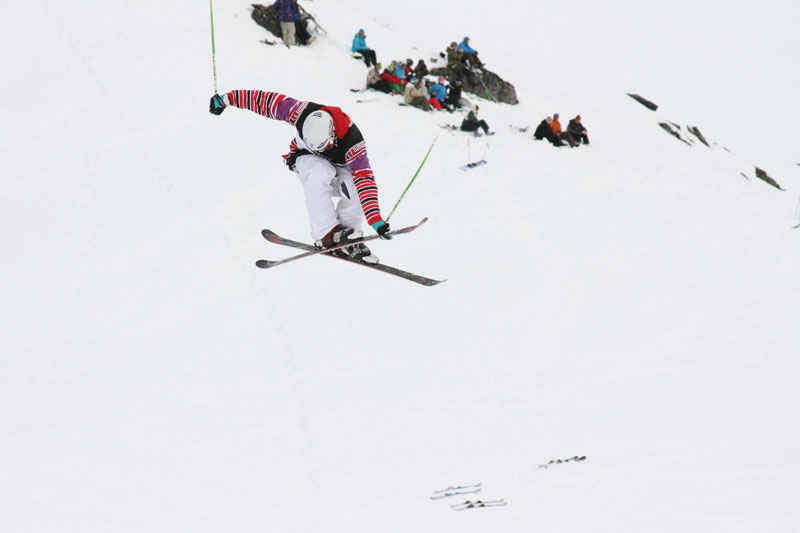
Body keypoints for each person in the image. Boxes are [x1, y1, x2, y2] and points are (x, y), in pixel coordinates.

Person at [209, 90, 392, 262]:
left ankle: (348, 238)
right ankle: (326, 232)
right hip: (305, 158)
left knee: (354, 184)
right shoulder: (301, 112)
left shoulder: (353, 142)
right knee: (321, 170)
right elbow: (266, 101)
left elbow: (365, 180)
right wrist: (227, 99)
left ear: (332, 134)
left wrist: (375, 219)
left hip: (340, 165)